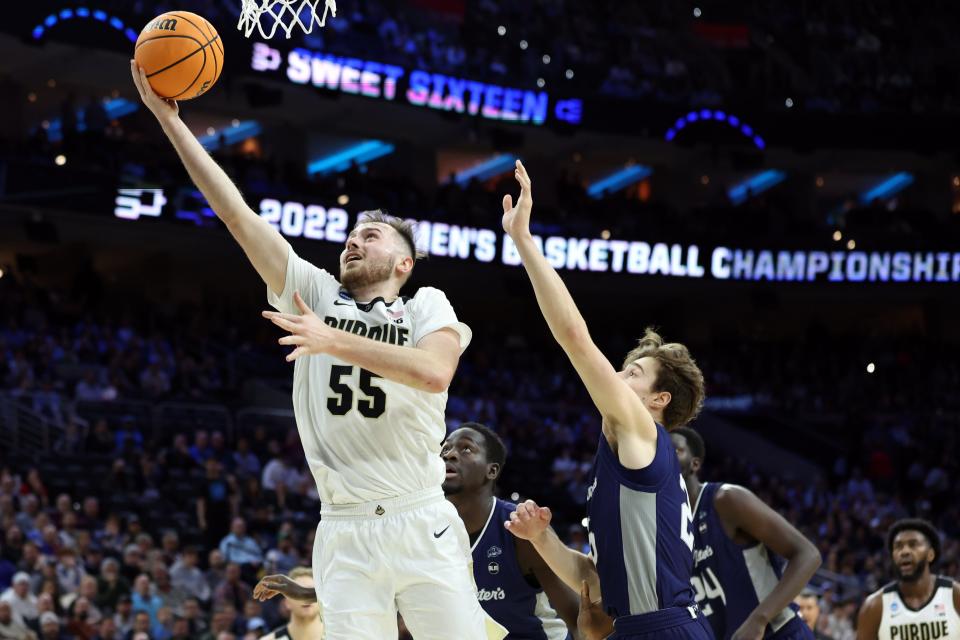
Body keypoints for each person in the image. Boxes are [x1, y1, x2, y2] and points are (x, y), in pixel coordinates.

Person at [131, 62, 489, 640]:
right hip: (343, 526)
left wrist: (331, 339)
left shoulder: (426, 303)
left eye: (371, 235)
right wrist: (171, 123)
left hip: (421, 514)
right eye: (351, 233)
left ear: (403, 263)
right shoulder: (315, 291)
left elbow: (433, 373)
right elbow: (236, 215)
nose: (354, 238)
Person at [499, 160, 710, 640]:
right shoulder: (623, 454)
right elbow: (592, 579)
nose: (615, 377)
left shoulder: (641, 430)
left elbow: (574, 337)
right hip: (639, 627)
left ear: (657, 399)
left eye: (632, 373)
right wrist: (540, 538)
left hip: (664, 629)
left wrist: (524, 241)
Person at [672, 427, 820, 640]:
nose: (667, 458)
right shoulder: (667, 527)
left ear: (695, 463)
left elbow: (808, 555)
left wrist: (759, 618)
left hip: (779, 633)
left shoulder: (726, 500)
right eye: (661, 452)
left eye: (675, 450)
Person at [442, 422, 579, 639]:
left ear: (492, 470)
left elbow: (578, 619)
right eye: (445, 449)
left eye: (466, 448)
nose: (449, 455)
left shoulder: (521, 528)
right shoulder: (428, 529)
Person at [855, 519, 959, 640]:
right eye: (898, 547)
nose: (904, 552)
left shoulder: (955, 596)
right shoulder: (874, 607)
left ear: (930, 554)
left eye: (913, 544)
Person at [255, 567, 324, 640]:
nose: (304, 598)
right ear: (286, 602)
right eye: (298, 593)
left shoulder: (336, 635)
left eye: (310, 592)